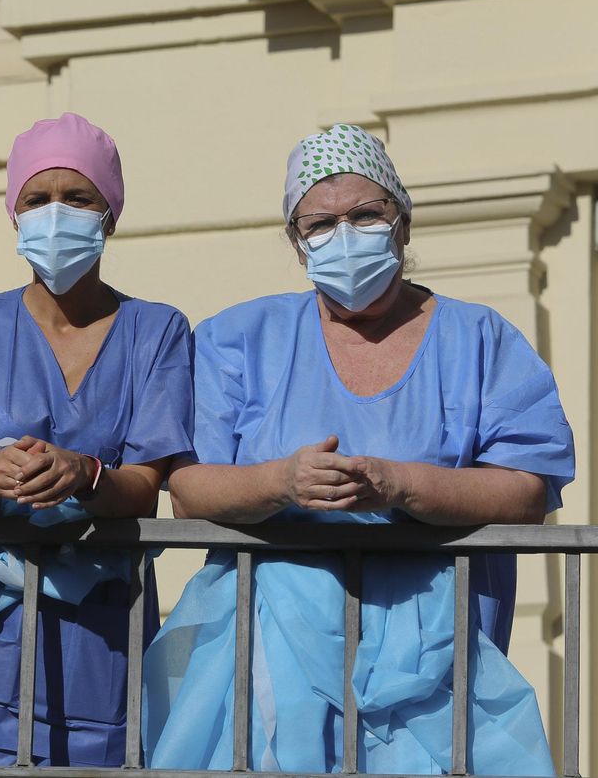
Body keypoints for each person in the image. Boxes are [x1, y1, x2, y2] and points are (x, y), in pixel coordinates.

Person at [142, 124, 572, 775]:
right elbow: (189, 489)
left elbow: (526, 491)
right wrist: (281, 483)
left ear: (403, 224)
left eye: (366, 214)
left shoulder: (480, 340)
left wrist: (400, 485)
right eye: (319, 223)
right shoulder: (241, 339)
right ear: (297, 242)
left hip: (434, 667)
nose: (343, 235)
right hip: (267, 667)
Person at [0, 112, 193, 766]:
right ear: (14, 213)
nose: (56, 213)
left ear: (110, 216)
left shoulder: (157, 333)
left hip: (105, 644)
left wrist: (86, 474)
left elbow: (143, 490)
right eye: (37, 198)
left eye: (78, 197)